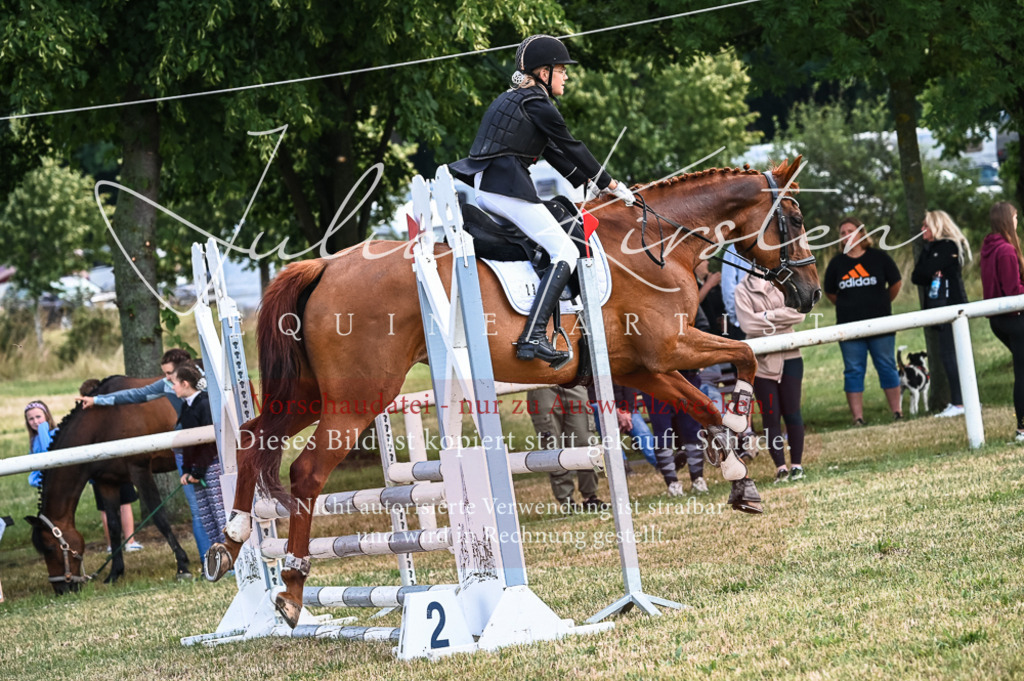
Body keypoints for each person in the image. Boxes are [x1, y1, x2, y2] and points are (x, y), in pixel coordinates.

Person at [450, 34, 634, 368]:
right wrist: (610, 182)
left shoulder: (516, 99)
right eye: (562, 70)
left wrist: (589, 182)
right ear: (544, 72)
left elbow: (554, 151)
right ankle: (533, 336)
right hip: (504, 188)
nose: (566, 76)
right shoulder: (537, 102)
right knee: (566, 252)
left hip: (491, 186)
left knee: (556, 236)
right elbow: (572, 145)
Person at [79, 348, 213, 559]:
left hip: (214, 450)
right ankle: (209, 562)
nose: (166, 378)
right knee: (198, 511)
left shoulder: (211, 380)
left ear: (185, 372)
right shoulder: (167, 385)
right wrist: (97, 400)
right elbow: (135, 395)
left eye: (169, 373)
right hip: (187, 451)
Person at [823, 217, 903, 425]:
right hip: (849, 327)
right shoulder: (837, 264)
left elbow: (895, 283)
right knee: (853, 370)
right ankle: (858, 418)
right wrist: (848, 305)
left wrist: (881, 302)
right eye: (842, 233)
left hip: (881, 324)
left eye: (850, 231)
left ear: (861, 233)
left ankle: (897, 412)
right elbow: (830, 292)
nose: (846, 235)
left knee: (887, 366)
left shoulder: (879, 258)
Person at [735, 274, 807, 482]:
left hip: (791, 356)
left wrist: (765, 315)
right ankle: (781, 468)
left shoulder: (784, 282)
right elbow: (747, 325)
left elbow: (798, 314)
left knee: (793, 413)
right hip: (761, 362)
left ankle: (797, 466)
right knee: (770, 416)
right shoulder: (742, 289)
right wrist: (780, 317)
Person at [912, 210, 972, 418]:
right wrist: (931, 270)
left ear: (936, 226)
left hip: (952, 305)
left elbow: (927, 270)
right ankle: (960, 400)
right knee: (948, 354)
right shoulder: (929, 249)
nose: (922, 230)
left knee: (952, 355)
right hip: (938, 306)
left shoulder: (949, 246)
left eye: (926, 226)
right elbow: (917, 276)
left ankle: (961, 402)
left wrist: (930, 270)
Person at [79, 379, 144, 552]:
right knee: (124, 505)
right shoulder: (113, 416)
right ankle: (129, 542)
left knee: (107, 508)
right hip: (119, 467)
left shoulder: (85, 421)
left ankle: (112, 545)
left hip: (100, 471)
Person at [980, 202, 1024, 443]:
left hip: (999, 320)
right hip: (1013, 318)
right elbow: (1013, 291)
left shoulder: (989, 248)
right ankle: (1022, 428)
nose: (1017, 221)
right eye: (1015, 217)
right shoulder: (1006, 250)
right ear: (1008, 219)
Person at [170, 362, 226, 547]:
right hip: (197, 470)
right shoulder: (186, 407)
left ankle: (231, 554)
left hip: (211, 466)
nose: (172, 387)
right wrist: (187, 470)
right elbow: (188, 442)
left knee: (220, 514)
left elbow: (210, 443)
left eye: (174, 383)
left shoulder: (204, 404)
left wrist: (198, 471)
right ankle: (218, 555)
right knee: (207, 516)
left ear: (185, 383)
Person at [527, 385, 608, 512]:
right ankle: (567, 502)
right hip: (541, 384)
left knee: (586, 442)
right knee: (552, 446)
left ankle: (590, 497)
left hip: (573, 382)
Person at [24, 400, 56, 488]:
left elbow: (47, 451)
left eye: (38, 416)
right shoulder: (34, 439)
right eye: (31, 419)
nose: (35, 421)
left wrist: (42, 428)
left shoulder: (56, 433)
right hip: (44, 478)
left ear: (47, 416)